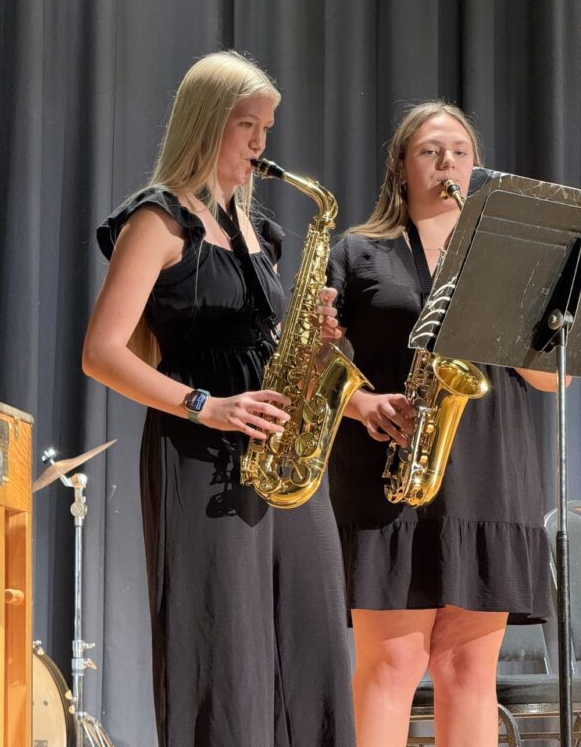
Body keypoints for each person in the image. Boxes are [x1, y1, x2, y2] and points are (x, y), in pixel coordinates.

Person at [82, 50, 355, 747]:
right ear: (206, 125)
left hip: (284, 461)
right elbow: (102, 353)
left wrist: (318, 342)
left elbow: (272, 352)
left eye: (267, 126)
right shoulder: (158, 220)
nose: (262, 144)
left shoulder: (264, 236)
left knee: (314, 639)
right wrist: (208, 404)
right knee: (223, 654)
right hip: (201, 449)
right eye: (246, 124)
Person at [326, 101, 559, 747]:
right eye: (429, 151)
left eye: (458, 150)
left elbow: (551, 377)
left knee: (466, 671)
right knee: (393, 663)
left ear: (476, 166)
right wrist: (364, 403)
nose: (446, 162)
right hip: (387, 471)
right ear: (401, 169)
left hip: (490, 474)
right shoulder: (359, 251)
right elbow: (308, 358)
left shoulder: (507, 261)